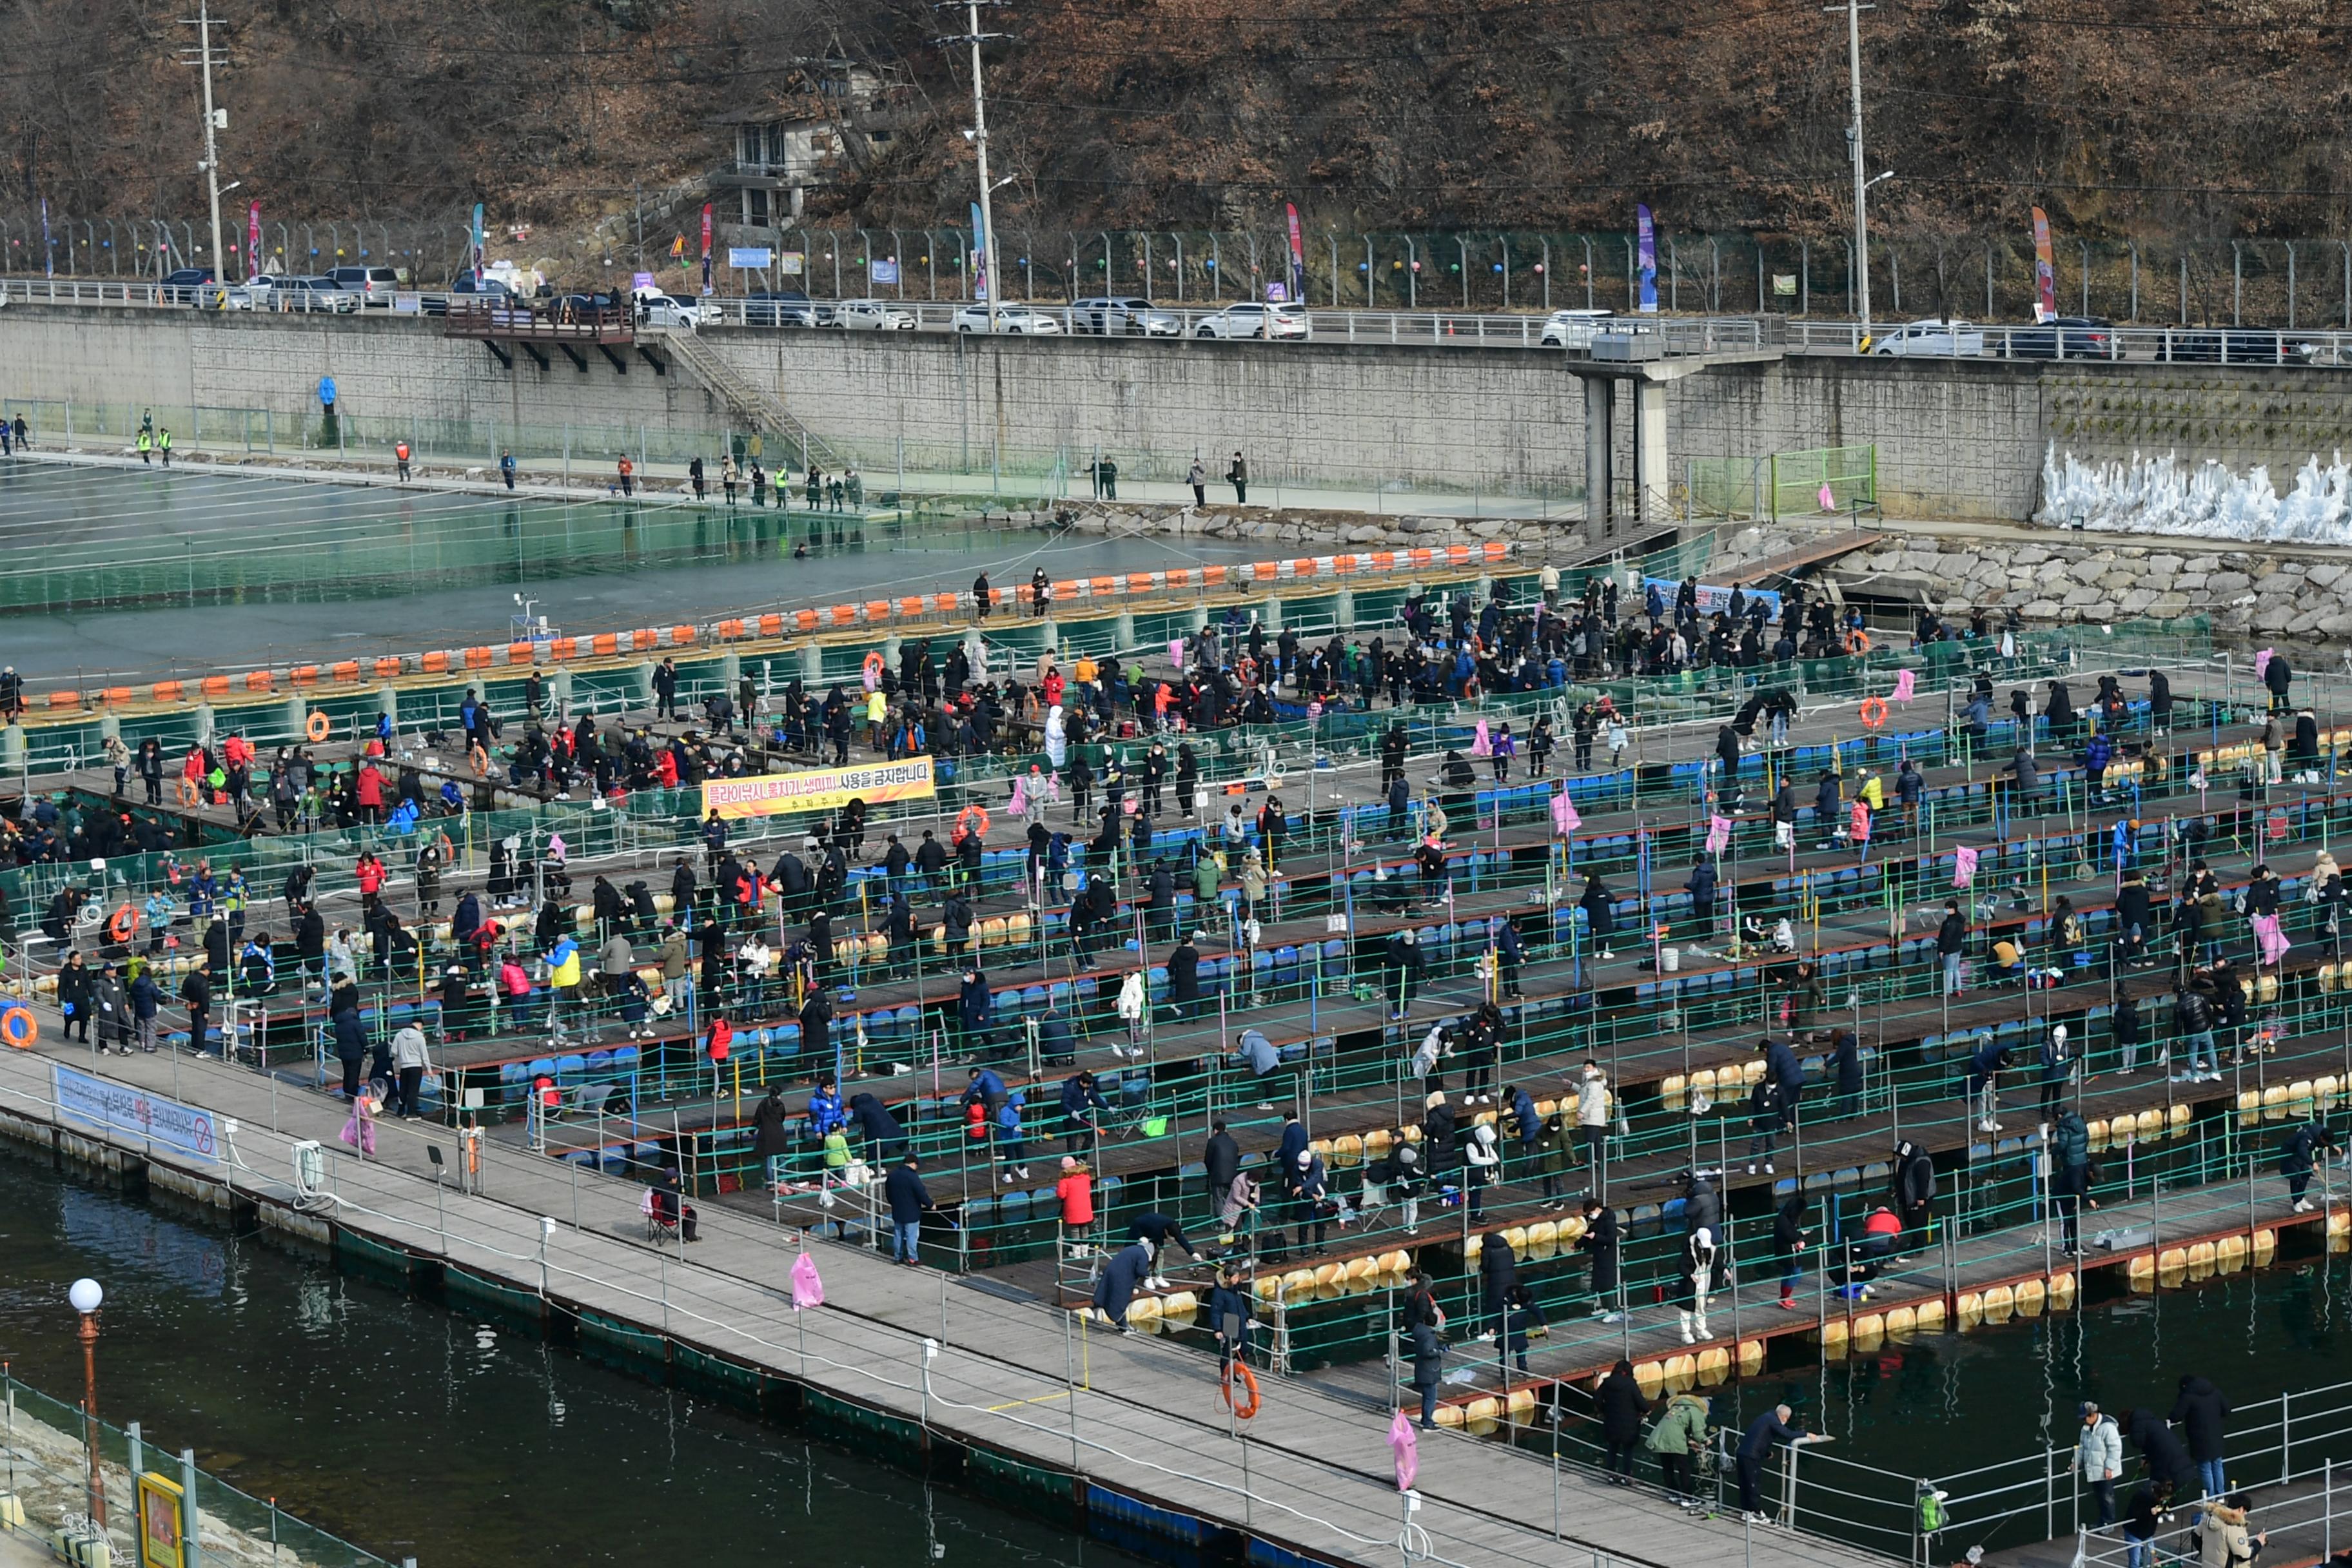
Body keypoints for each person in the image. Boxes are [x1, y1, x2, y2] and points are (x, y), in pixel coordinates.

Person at [1736, 1404, 1816, 1524]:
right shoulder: (1774, 1421)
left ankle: (1747, 1511)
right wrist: (1806, 1434)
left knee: (1745, 1484)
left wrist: (1767, 1453)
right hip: (1751, 1457)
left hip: (1743, 1453)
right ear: (1784, 1417)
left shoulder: (1765, 1417)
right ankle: (1755, 1512)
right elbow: (1787, 1434)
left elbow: (1759, 1438)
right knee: (1753, 1484)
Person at [2170, 1375, 2233, 1508]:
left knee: (2205, 1468)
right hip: (2216, 1436)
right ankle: (2221, 1496)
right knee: (2217, 1465)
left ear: (2185, 1387)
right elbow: (2227, 1409)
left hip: (2199, 1440)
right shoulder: (2215, 1391)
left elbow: (2176, 1416)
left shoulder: (2188, 1397)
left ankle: (2210, 1499)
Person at [1647, 1387, 1712, 1509]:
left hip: (1660, 1438)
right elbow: (1698, 1432)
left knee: (1668, 1467)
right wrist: (1706, 1440)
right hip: (1674, 1441)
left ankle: (1674, 1493)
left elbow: (1677, 1427)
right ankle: (1688, 1498)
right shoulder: (1695, 1411)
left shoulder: (1676, 1409)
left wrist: (1690, 1441)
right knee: (1684, 1469)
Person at [1596, 1360, 1647, 1485]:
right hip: (1629, 1423)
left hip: (1611, 1421)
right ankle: (1626, 1476)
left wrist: (1604, 1410)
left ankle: (1611, 1474)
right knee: (1628, 1450)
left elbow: (1597, 1398)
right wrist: (1646, 1410)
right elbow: (1642, 1403)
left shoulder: (1607, 1383)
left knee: (1612, 1448)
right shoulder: (1630, 1384)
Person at [2076, 1402, 2124, 1529]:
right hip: (2094, 1470)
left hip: (2106, 1472)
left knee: (2107, 1497)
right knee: (2100, 1497)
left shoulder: (2108, 1428)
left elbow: (2116, 1449)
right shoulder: (2086, 1429)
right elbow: (2081, 1447)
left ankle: (2109, 1524)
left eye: (2085, 1417)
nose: (2083, 1421)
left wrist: (2109, 1467)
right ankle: (2102, 1522)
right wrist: (2075, 1462)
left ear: (2093, 1415)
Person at [1091, 1239, 1153, 1332]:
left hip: (1112, 1272)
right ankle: (1124, 1328)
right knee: (1120, 1301)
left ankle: (1123, 1326)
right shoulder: (1143, 1254)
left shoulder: (1133, 1248)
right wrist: (1148, 1276)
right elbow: (1141, 1270)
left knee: (1114, 1298)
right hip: (1121, 1277)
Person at [1579, 1195, 1623, 1320]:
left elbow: (1611, 1239)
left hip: (1608, 1256)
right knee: (1599, 1282)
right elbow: (1588, 1233)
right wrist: (1577, 1244)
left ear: (1598, 1209)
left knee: (1608, 1283)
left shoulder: (1609, 1221)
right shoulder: (1596, 1222)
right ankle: (1605, 1307)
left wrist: (1596, 1237)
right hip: (1599, 1255)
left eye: (1591, 1212)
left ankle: (1612, 1311)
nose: (1590, 1215)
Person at [884, 1153, 932, 1265]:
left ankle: (898, 1257)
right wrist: (930, 1205)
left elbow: (888, 1193)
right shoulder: (912, 1177)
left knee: (898, 1235)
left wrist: (894, 1203)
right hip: (912, 1212)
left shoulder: (893, 1175)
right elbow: (921, 1193)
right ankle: (913, 1258)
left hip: (897, 1210)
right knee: (912, 1236)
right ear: (913, 1164)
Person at [2199, 1493, 2266, 1568]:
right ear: (2241, 1509)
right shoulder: (2233, 1525)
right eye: (2245, 1512)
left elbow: (2196, 1537)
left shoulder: (2210, 1516)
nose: (2245, 1515)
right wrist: (2258, 1543)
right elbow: (2243, 1555)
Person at [2122, 1478, 2174, 1568]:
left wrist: (2162, 1509)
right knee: (2135, 1562)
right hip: (2134, 1532)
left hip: (2147, 1533)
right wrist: (2149, 1512)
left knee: (2151, 1560)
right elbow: (2134, 1514)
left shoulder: (2158, 1498)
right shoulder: (2142, 1496)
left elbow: (2164, 1507)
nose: (2163, 1501)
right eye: (2163, 1499)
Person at [389, 1018, 431, 1119]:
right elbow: (424, 1055)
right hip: (416, 1066)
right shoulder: (420, 1037)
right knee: (413, 1090)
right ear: (420, 1026)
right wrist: (429, 1070)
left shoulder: (399, 1035)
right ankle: (411, 1113)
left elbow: (393, 1051)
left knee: (403, 1089)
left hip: (404, 1066)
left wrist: (403, 1054)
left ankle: (401, 1110)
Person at [1409, 1317, 1446, 1429]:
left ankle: (1425, 1419)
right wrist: (1439, 1351)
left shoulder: (1420, 1333)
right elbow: (1427, 1351)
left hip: (1422, 1370)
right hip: (1429, 1372)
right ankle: (1427, 1422)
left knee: (1427, 1397)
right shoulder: (1430, 1336)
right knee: (1430, 1398)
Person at [651, 1166, 699, 1242]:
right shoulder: (669, 1192)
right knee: (691, 1214)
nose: (677, 1179)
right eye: (676, 1177)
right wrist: (683, 1209)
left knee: (687, 1211)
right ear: (672, 1179)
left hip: (659, 1212)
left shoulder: (661, 1187)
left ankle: (685, 1234)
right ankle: (688, 1236)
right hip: (667, 1215)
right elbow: (674, 1207)